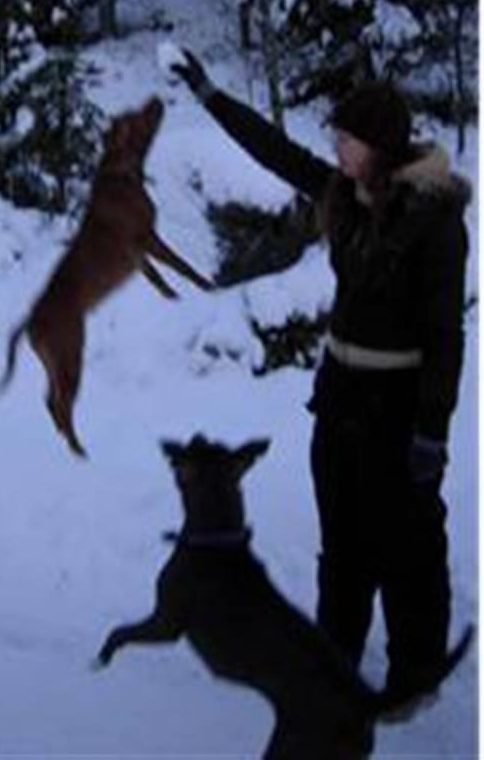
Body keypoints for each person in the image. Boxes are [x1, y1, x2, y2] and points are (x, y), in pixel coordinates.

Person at [171, 49, 471, 700]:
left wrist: (432, 431)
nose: (336, 147)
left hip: (399, 403)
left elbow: (445, 336)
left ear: (380, 146)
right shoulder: (345, 194)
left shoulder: (434, 219)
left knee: (408, 547)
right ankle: (336, 661)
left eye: (347, 139)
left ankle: (417, 672)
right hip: (339, 397)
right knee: (343, 540)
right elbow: (275, 152)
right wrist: (209, 94)